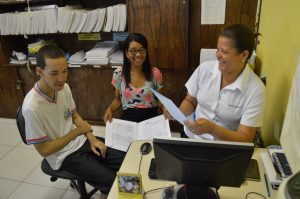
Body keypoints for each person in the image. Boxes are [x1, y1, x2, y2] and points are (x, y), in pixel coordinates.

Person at [22, 45, 125, 198]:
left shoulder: (64, 88)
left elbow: (75, 117)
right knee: (115, 182)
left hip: (81, 141)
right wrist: (77, 132)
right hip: (63, 156)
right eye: (54, 73)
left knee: (126, 160)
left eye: (65, 71)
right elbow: (44, 150)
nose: (62, 79)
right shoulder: (32, 107)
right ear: (39, 72)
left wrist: (92, 139)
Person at [167, 24, 265, 142]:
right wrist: (177, 113)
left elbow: (245, 137)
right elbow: (190, 101)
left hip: (226, 147)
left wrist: (212, 129)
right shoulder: (204, 69)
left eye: (224, 51)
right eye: (218, 49)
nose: (217, 55)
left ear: (244, 55)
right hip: (193, 138)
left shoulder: (255, 89)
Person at [103, 33, 164, 123]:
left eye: (142, 50)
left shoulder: (155, 73)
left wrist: (165, 108)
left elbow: (160, 99)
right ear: (127, 53)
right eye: (133, 51)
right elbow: (118, 100)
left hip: (151, 119)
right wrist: (110, 109)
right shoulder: (119, 73)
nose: (138, 54)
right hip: (128, 119)